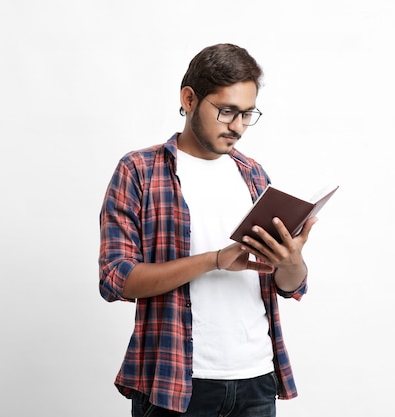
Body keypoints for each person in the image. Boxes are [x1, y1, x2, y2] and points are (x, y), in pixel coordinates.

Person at [99, 43, 318, 416]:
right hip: (177, 382)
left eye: (247, 114)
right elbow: (116, 279)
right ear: (189, 99)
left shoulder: (253, 174)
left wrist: (291, 259)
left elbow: (290, 285)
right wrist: (214, 260)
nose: (237, 127)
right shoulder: (139, 170)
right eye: (227, 111)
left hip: (257, 378)